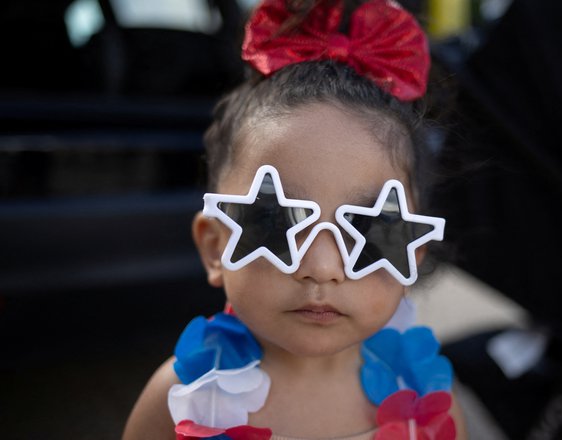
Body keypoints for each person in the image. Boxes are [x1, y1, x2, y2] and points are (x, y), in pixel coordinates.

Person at [123, 0, 466, 438]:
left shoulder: (431, 398)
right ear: (214, 246)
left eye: (368, 228)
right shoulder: (177, 401)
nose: (321, 267)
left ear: (414, 252)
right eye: (275, 221)